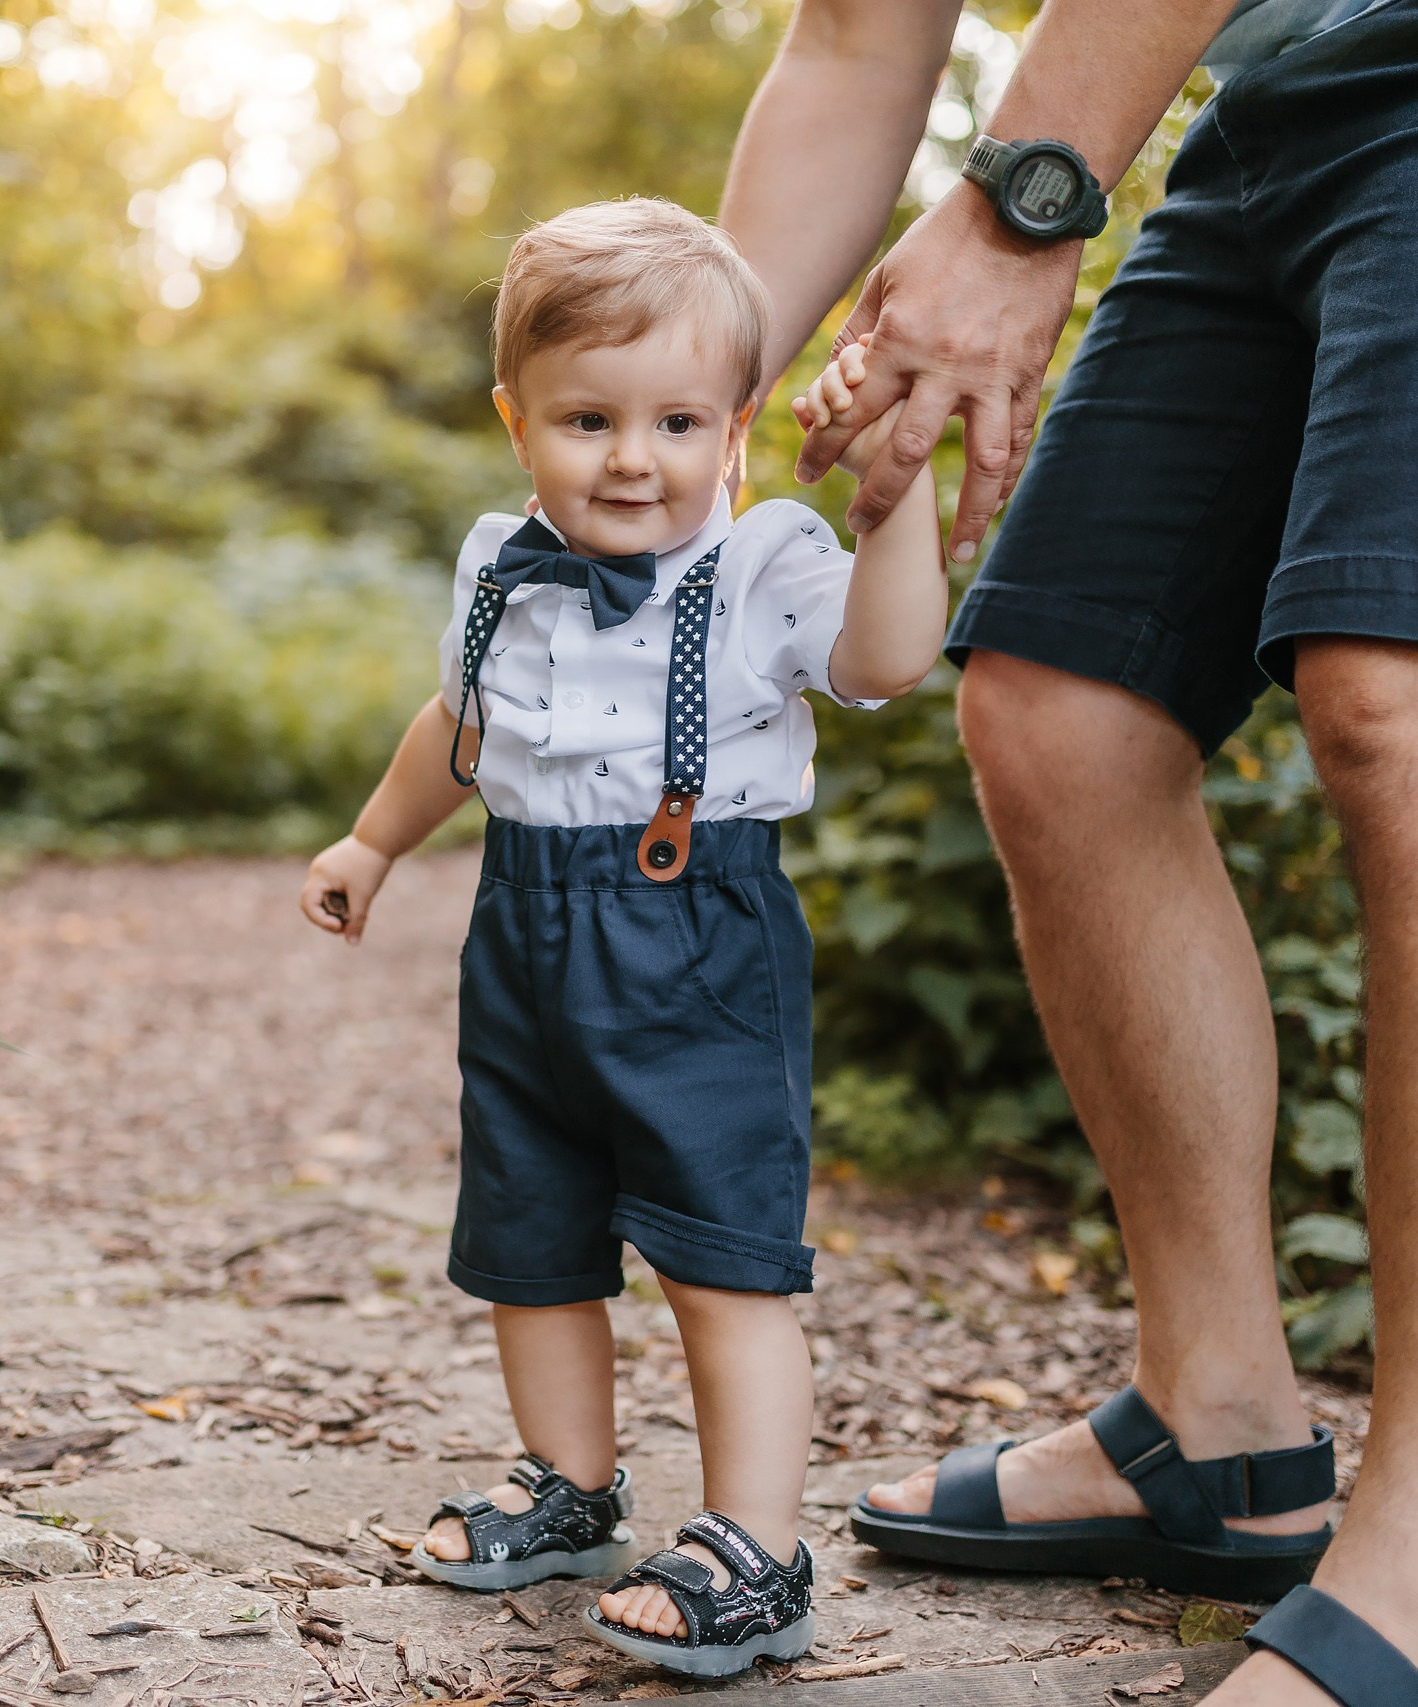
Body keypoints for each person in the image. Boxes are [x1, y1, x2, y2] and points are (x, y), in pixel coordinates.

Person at [727, 0, 1418, 1703]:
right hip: (1288, 82)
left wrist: (1024, 197)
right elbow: (851, 48)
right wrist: (677, 392)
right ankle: (1219, 1428)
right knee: (1066, 707)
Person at [295, 198, 950, 1678]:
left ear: (737, 427)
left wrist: (892, 499)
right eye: (589, 419)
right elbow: (459, 726)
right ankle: (569, 1485)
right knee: (530, 1236)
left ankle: (756, 1546)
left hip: (696, 933)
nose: (633, 459)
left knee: (722, 1250)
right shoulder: (502, 565)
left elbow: (891, 655)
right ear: (516, 420)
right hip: (523, 929)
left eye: (677, 421)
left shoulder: (764, 565)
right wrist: (373, 840)